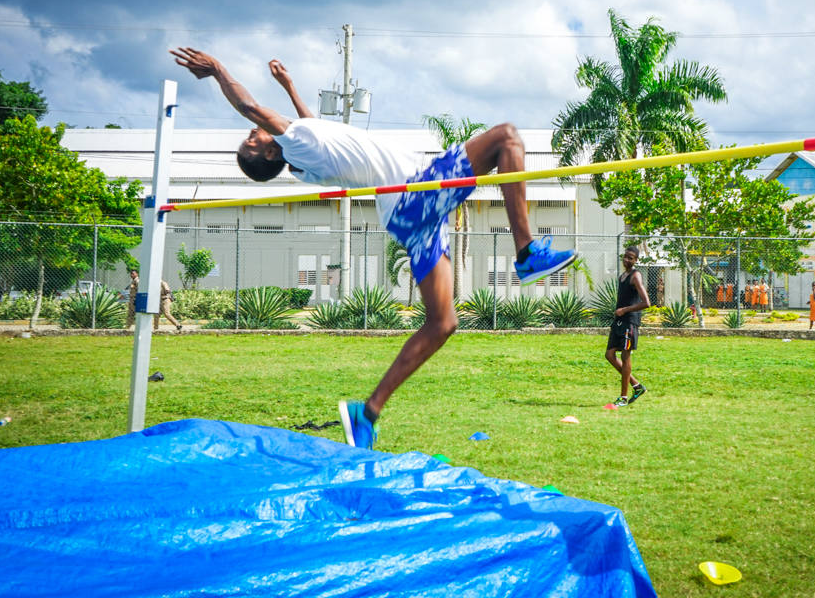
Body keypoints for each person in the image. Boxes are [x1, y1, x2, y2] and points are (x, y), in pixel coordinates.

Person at [172, 47, 576, 449]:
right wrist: (219, 70)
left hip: (407, 216)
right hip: (412, 193)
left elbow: (318, 128)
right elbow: (249, 106)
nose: (253, 131)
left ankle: (367, 413)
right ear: (271, 150)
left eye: (250, 135)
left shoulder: (304, 148)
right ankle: (526, 253)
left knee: (443, 323)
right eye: (252, 138)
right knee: (506, 137)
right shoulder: (293, 144)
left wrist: (291, 86)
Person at [604, 247, 651, 407]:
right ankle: (637, 386)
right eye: (625, 257)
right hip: (619, 321)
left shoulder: (635, 276)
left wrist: (625, 310)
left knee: (625, 357)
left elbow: (646, 303)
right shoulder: (622, 276)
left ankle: (623, 398)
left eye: (631, 258)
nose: (627, 260)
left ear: (636, 260)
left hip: (630, 322)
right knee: (609, 355)